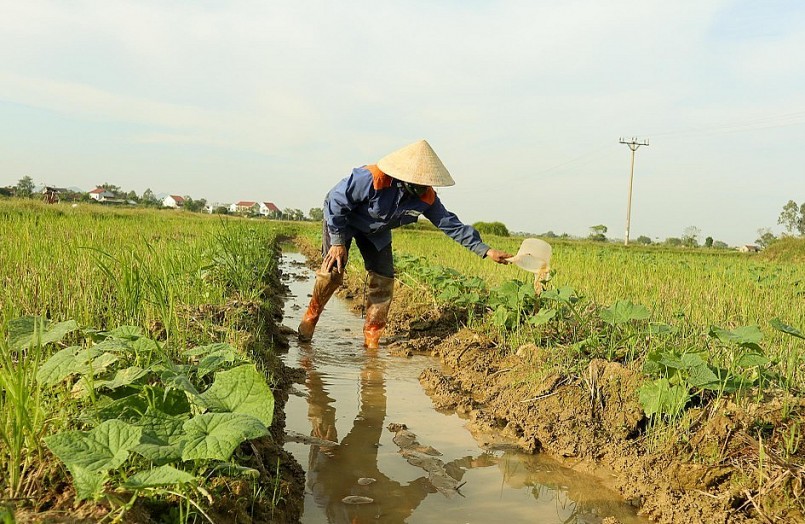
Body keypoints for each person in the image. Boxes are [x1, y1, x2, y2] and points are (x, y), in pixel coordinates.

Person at [298, 139, 512, 348]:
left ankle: (371, 340)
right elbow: (336, 201)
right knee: (332, 272)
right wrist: (337, 241)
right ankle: (311, 317)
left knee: (383, 280)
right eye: (419, 182)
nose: (425, 187)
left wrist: (486, 250)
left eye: (427, 182)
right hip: (343, 222)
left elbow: (451, 224)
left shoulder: (427, 198)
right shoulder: (372, 177)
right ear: (405, 177)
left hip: (376, 232)